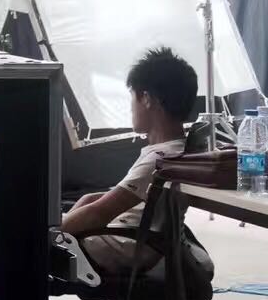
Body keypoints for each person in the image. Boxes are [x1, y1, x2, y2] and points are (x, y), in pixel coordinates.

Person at [62, 47, 197, 273]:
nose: (131, 107)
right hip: (137, 236)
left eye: (132, 98)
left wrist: (50, 235)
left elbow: (99, 213)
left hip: (128, 245)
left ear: (147, 99)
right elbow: (96, 201)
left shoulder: (161, 159)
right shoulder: (179, 149)